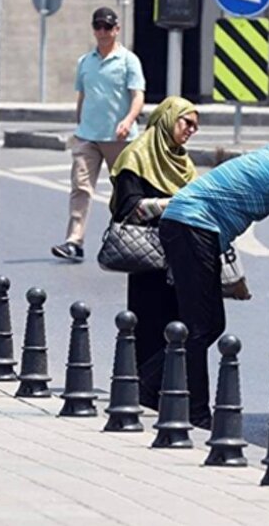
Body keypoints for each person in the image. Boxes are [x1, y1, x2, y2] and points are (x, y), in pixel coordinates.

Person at [149, 121, 269, 428]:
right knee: (200, 326)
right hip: (192, 227)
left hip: (192, 228)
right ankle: (193, 411)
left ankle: (146, 384)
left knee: (208, 325)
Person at [106, 97, 199, 403]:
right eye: (187, 123)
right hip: (146, 255)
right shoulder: (136, 156)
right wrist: (169, 206)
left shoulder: (182, 162)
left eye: (195, 127)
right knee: (148, 320)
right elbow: (126, 208)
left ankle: (166, 386)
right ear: (168, 118)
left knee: (179, 320)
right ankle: (142, 388)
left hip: (180, 254)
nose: (190, 131)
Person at [51, 7, 146, 262]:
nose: (102, 32)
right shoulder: (85, 62)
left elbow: (138, 96)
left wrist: (128, 120)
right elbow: (82, 95)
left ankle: (128, 239)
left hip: (120, 139)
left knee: (125, 191)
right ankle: (74, 241)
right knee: (80, 187)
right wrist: (79, 124)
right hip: (88, 137)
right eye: (98, 27)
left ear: (116, 29)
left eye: (107, 27)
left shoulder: (128, 61)